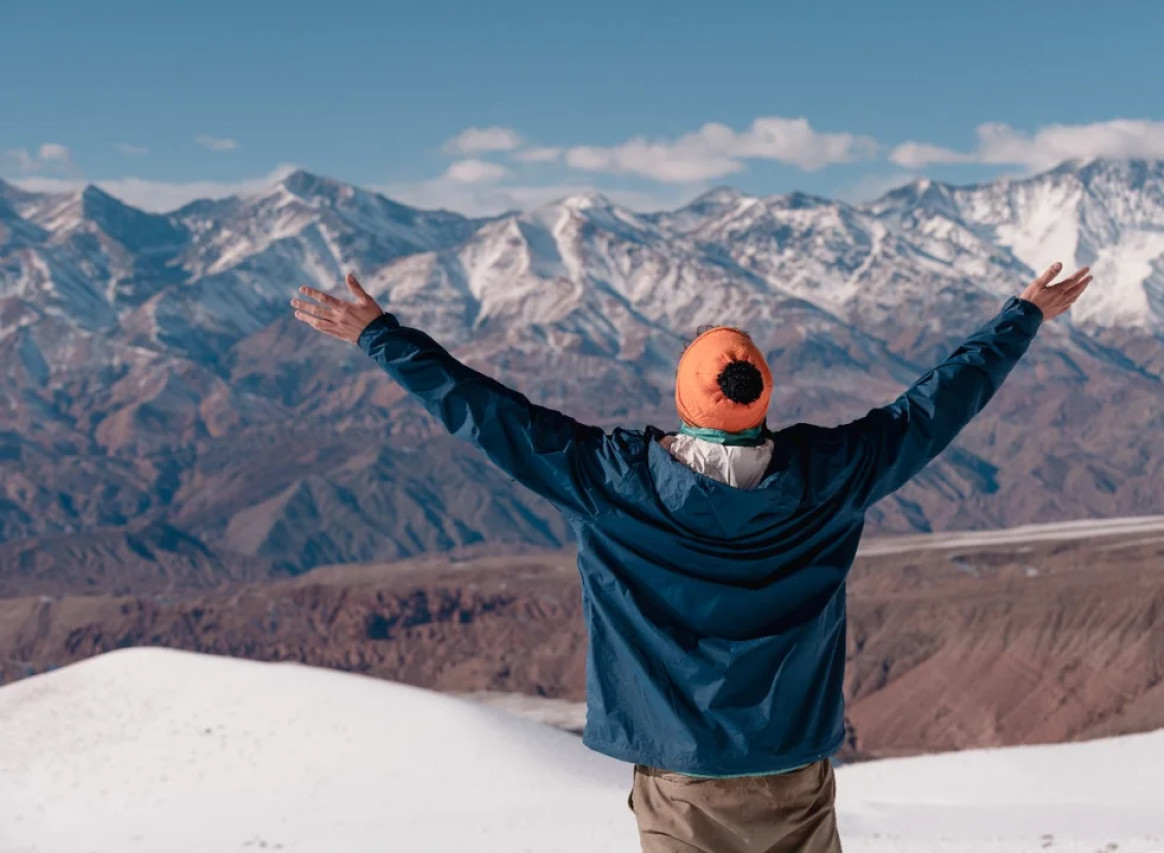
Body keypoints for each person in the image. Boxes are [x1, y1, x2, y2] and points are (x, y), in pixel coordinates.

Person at [291, 261, 1092, 853]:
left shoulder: (613, 480)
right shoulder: (832, 474)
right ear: (761, 399)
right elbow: (936, 405)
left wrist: (381, 337)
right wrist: (1021, 316)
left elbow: (489, 414)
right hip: (794, 768)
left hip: (680, 779)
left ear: (683, 399)